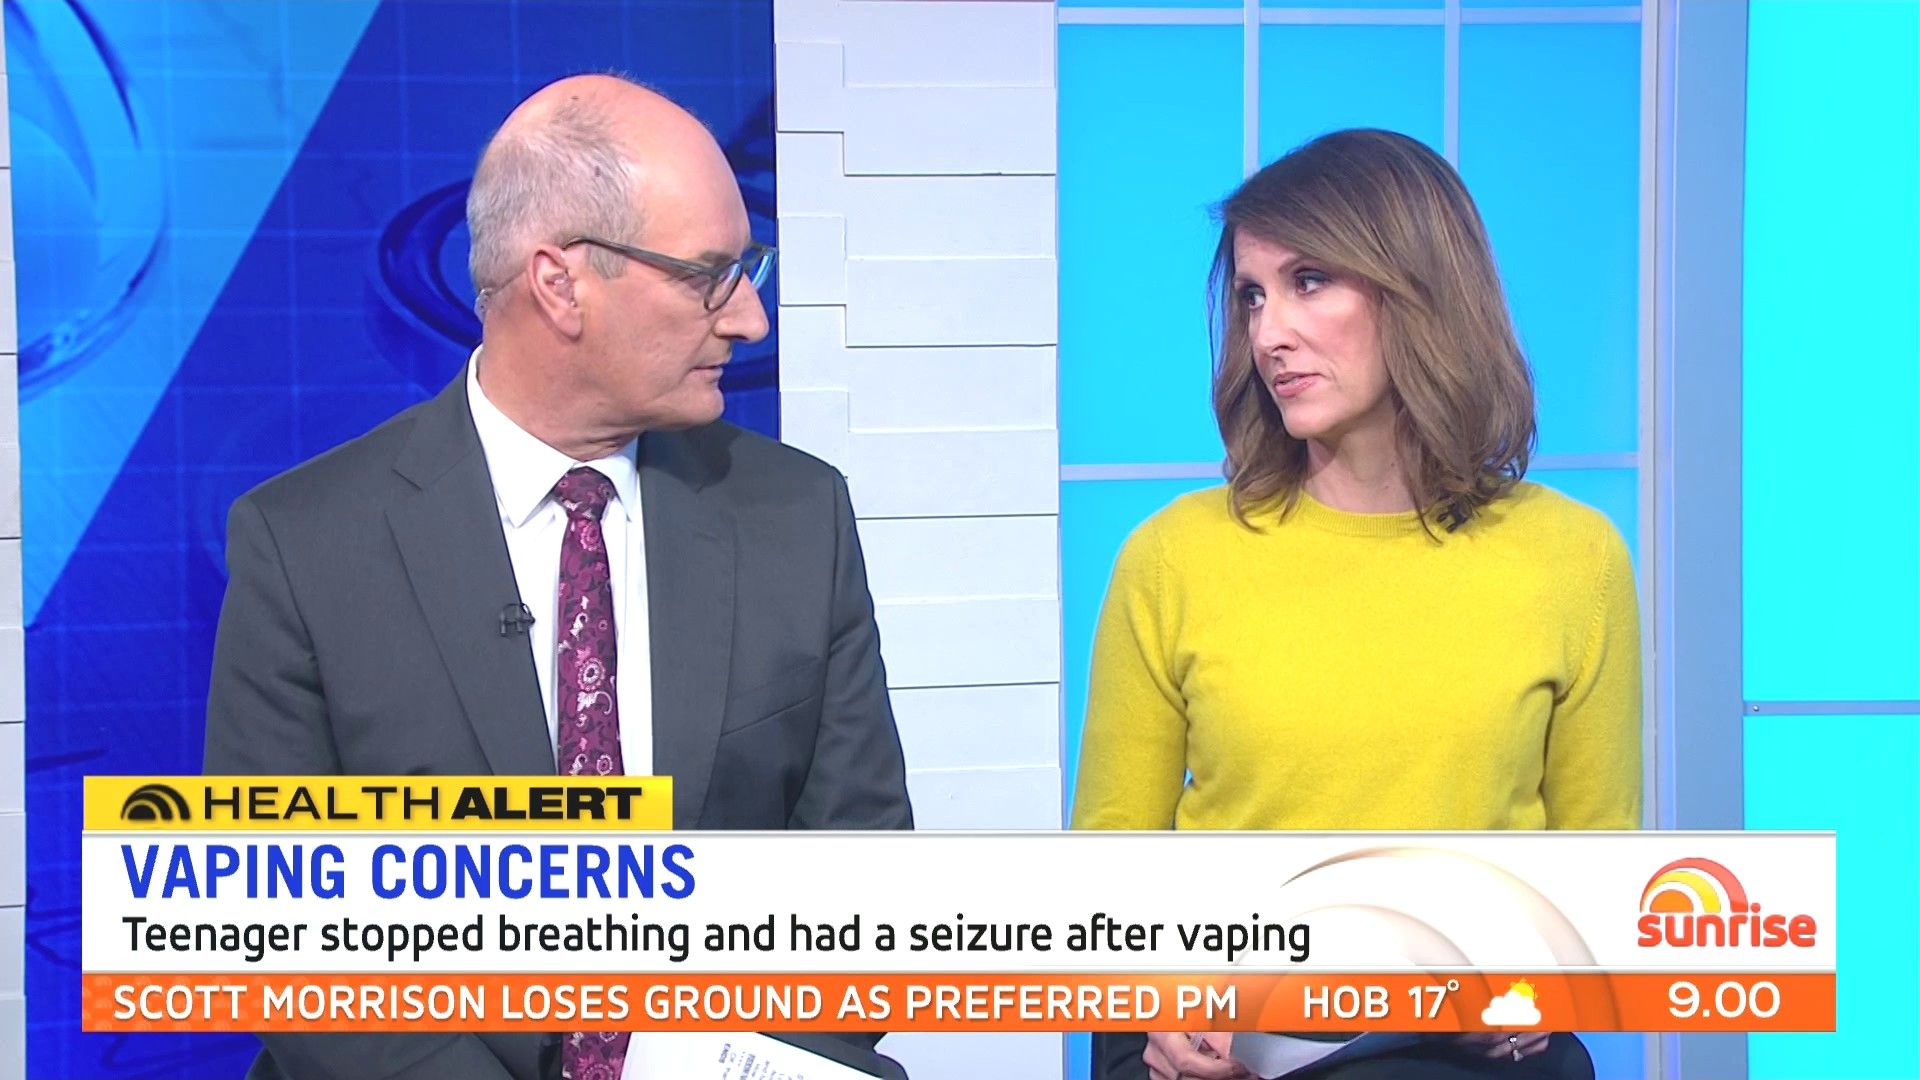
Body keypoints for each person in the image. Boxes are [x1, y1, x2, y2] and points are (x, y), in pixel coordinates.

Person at [205, 74, 913, 1080]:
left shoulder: (799, 518)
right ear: (560, 283)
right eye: (710, 275)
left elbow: (858, 887)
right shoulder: (305, 545)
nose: (750, 319)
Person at [1071, 129, 1639, 1080]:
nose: (1268, 333)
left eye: (1308, 281)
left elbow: (1592, 879)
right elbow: (1114, 871)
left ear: (1421, 289)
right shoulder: (1173, 557)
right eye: (1252, 296)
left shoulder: (1573, 559)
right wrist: (1164, 1013)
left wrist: (1535, 985)